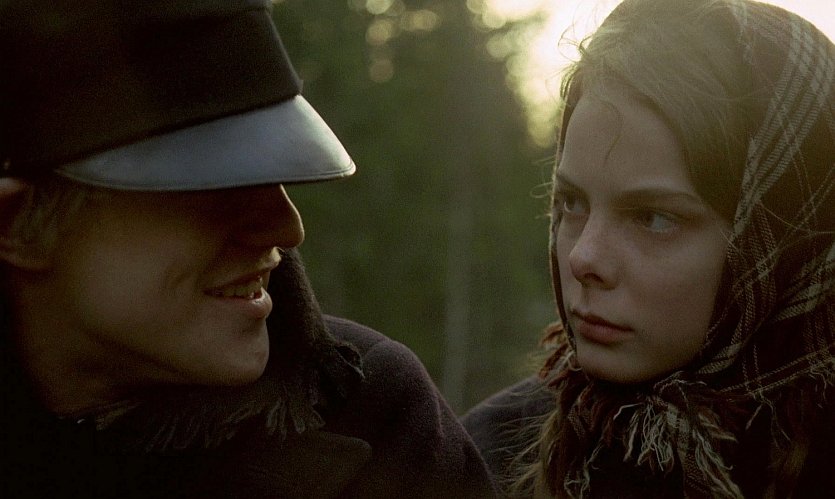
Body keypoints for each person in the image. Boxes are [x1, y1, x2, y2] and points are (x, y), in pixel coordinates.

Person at [0, 1, 496, 497]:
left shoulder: (376, 413)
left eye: (273, 176)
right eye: (216, 189)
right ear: (17, 223)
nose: (286, 228)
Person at [463, 0, 835, 497]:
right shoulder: (485, 459)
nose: (582, 258)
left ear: (781, 248)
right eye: (572, 202)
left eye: (653, 218)